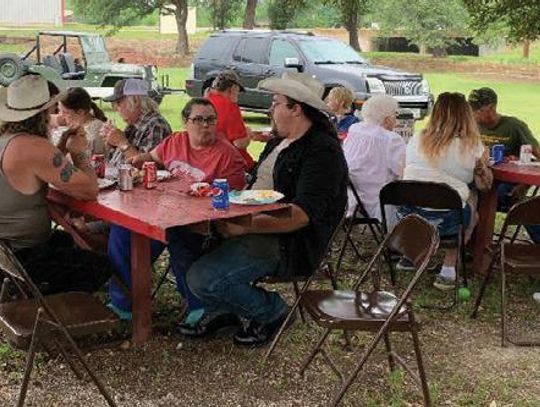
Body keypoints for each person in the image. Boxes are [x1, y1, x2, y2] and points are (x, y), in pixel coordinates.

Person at [179, 73, 348, 347]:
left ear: (296, 109)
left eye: (276, 102)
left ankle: (273, 311)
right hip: (255, 222)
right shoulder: (279, 140)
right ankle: (224, 309)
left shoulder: (321, 151)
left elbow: (301, 215)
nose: (270, 108)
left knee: (201, 278)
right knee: (184, 238)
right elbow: (257, 184)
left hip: (291, 242)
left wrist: (246, 226)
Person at [107, 97, 246, 323]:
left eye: (211, 120)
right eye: (198, 119)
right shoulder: (175, 141)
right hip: (162, 213)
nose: (205, 125)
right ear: (185, 122)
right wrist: (135, 160)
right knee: (123, 232)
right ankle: (123, 301)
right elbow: (149, 159)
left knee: (177, 236)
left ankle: (199, 307)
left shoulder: (227, 155)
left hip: (200, 224)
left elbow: (233, 201)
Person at [0, 75, 112, 294]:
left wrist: (60, 146)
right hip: (22, 256)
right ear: (44, 112)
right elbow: (89, 190)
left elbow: (37, 168)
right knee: (102, 266)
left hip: (6, 250)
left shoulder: (6, 139)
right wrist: (78, 152)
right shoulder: (34, 146)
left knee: (73, 240)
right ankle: (41, 307)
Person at [400, 92, 493, 290]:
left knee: (437, 188)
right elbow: (485, 186)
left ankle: (411, 254)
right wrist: (483, 166)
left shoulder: (417, 138)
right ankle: (449, 268)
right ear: (466, 116)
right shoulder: (471, 146)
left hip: (410, 213)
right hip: (448, 218)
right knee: (472, 197)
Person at [469, 87, 540, 300]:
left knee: (524, 207)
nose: (473, 115)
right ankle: (471, 249)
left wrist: (522, 182)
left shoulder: (513, 126)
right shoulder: (471, 126)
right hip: (477, 181)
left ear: (490, 108)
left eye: (477, 110)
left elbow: (536, 155)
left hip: (505, 186)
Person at [344, 94, 405, 221]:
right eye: (395, 115)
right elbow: (403, 171)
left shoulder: (355, 129)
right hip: (378, 203)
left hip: (351, 198)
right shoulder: (391, 139)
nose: (396, 119)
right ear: (387, 119)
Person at [100, 78, 171, 167]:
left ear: (136, 101)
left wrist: (121, 143)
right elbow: (116, 163)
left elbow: (148, 166)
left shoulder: (156, 125)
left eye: (118, 103)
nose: (115, 109)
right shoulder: (133, 125)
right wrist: (111, 145)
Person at [206, 70, 256, 170]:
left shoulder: (205, 102)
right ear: (233, 89)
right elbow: (240, 143)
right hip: (232, 165)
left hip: (208, 162)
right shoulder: (229, 106)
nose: (238, 95)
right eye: (238, 91)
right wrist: (248, 134)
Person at [56, 87, 108, 156]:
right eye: (59, 110)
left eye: (65, 112)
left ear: (81, 112)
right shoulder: (80, 125)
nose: (61, 116)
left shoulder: (95, 131)